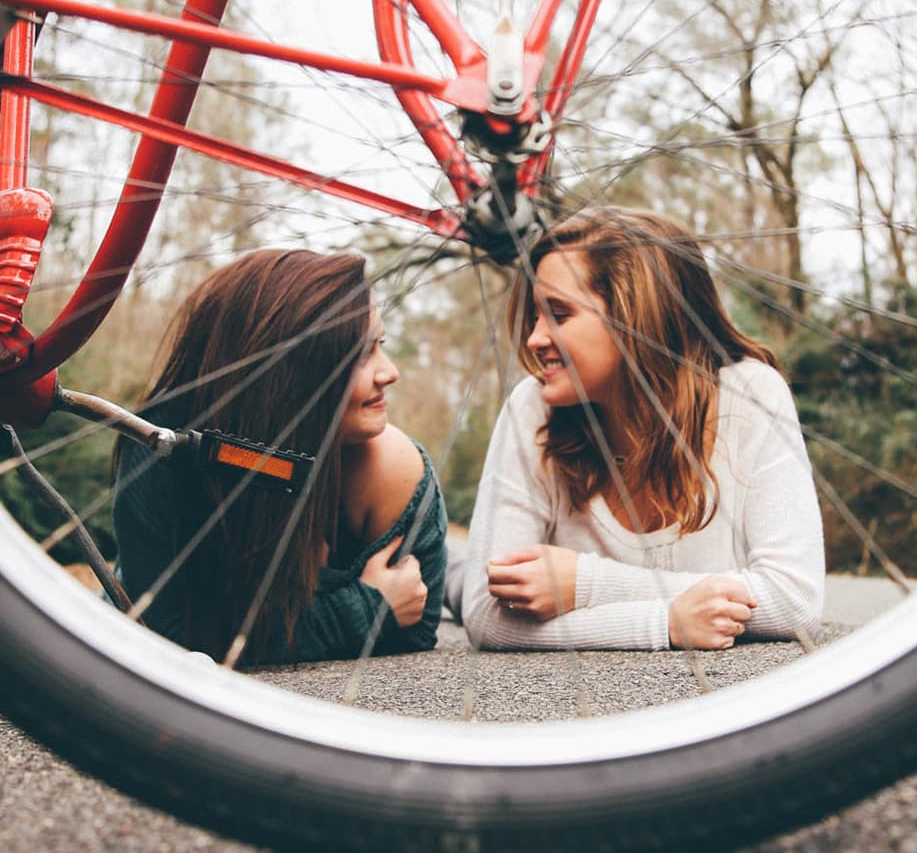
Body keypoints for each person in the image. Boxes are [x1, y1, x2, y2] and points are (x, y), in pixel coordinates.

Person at [461, 208, 825, 651]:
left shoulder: (751, 395)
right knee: (456, 578)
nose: (535, 339)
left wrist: (587, 584)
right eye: (536, 317)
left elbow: (794, 599)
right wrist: (662, 623)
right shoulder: (531, 407)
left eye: (559, 314)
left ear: (635, 320)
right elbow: (485, 614)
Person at [113, 249, 447, 665]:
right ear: (289, 372)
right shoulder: (164, 444)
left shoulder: (390, 465)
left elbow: (415, 625)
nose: (390, 371)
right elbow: (161, 640)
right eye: (361, 353)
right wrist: (363, 608)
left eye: (381, 344)